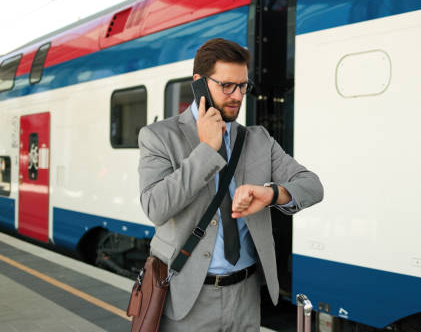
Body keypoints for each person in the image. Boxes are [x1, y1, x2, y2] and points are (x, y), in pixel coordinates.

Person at [137, 38, 323, 331]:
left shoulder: (258, 139)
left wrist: (273, 194)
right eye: (227, 85)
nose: (237, 95)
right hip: (188, 298)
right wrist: (206, 151)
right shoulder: (160, 137)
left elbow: (312, 185)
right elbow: (155, 207)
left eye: (243, 86)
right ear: (199, 83)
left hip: (246, 297)